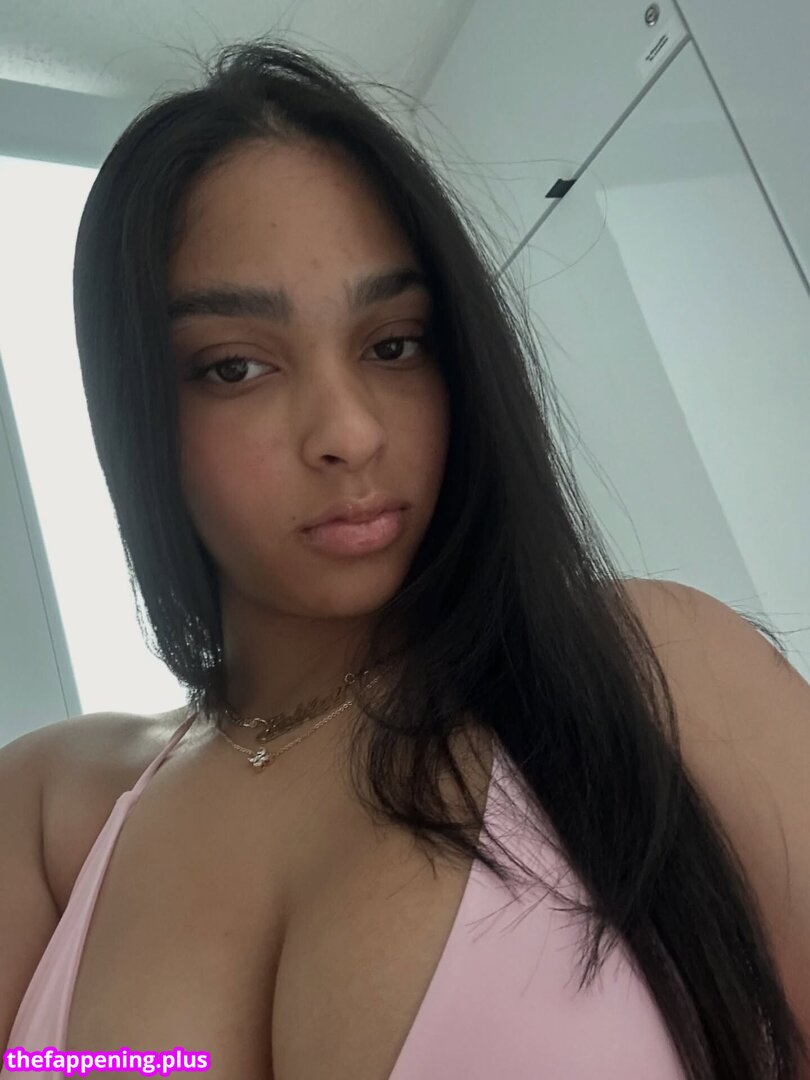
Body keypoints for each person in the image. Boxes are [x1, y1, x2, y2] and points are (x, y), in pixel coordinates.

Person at [1, 37, 807, 1080]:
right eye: (235, 366)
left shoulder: (654, 668)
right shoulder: (51, 808)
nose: (349, 432)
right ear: (136, 408)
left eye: (393, 345)